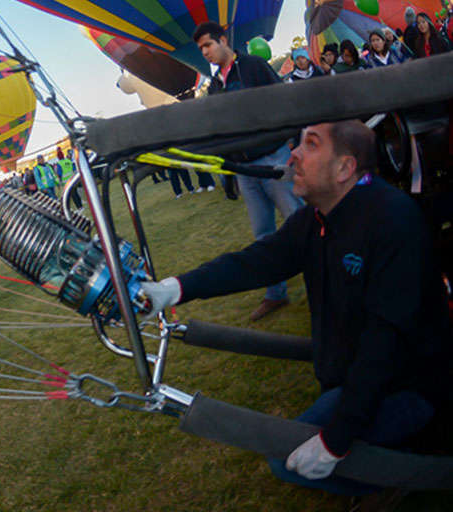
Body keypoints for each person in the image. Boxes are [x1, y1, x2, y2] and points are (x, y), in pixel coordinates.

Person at [140, 121, 452, 502]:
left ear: (344, 168)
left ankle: (401, 477)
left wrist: (336, 441)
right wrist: (175, 288)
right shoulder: (318, 216)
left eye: (310, 144)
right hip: (353, 375)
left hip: (407, 385)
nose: (293, 154)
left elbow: (384, 347)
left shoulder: (392, 221)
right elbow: (257, 262)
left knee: (283, 459)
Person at [194, 21, 304, 320]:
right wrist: (228, 172)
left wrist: (295, 142)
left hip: (274, 158)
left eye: (208, 45)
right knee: (263, 234)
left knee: (299, 220)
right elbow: (219, 131)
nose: (205, 52)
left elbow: (284, 101)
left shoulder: (253, 66)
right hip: (245, 169)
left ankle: (326, 279)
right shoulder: (216, 86)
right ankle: (276, 293)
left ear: (223, 40)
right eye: (201, 48)